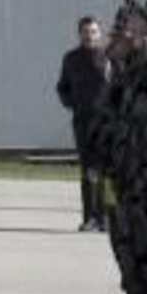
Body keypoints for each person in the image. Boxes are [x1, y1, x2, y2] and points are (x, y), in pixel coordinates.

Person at [56, 15, 112, 229]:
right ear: (79, 34)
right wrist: (73, 103)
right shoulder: (71, 59)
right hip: (83, 122)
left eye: (93, 31)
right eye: (85, 32)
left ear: (100, 33)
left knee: (106, 171)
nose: (89, 36)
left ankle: (106, 217)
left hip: (107, 123)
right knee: (88, 170)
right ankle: (90, 217)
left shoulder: (109, 58)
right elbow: (62, 87)